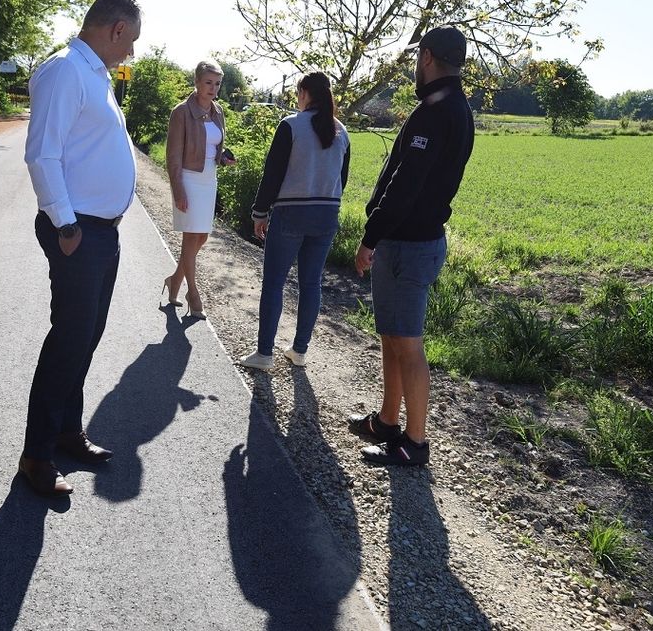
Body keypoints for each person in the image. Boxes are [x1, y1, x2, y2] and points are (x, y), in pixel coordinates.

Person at [21, 0, 142, 497]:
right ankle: (36, 455)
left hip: (99, 232)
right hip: (78, 232)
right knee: (69, 340)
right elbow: (41, 154)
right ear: (115, 29)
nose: (132, 52)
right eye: (131, 40)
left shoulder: (95, 75)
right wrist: (67, 225)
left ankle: (69, 432)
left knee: (86, 337)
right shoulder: (65, 70)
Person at [348, 26, 475, 466]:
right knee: (392, 336)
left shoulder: (436, 112)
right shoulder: (456, 108)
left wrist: (370, 238)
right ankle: (387, 420)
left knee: (408, 344)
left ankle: (415, 443)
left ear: (425, 58)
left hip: (409, 243)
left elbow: (405, 186)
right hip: (413, 240)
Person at [238, 71, 351, 371]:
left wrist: (259, 212)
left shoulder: (290, 126)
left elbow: (272, 175)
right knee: (311, 284)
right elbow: (343, 179)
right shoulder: (342, 132)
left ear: (303, 93)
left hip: (291, 214)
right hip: (327, 215)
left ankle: (264, 354)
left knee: (274, 283)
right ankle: (299, 350)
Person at [162, 59, 234, 318]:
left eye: (217, 84)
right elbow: (172, 156)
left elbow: (212, 146)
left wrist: (223, 157)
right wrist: (178, 190)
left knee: (200, 238)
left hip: (209, 179)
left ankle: (174, 281)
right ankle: (193, 294)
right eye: (208, 82)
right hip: (189, 180)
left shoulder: (218, 111)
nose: (213, 88)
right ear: (196, 82)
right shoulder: (181, 111)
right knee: (190, 237)